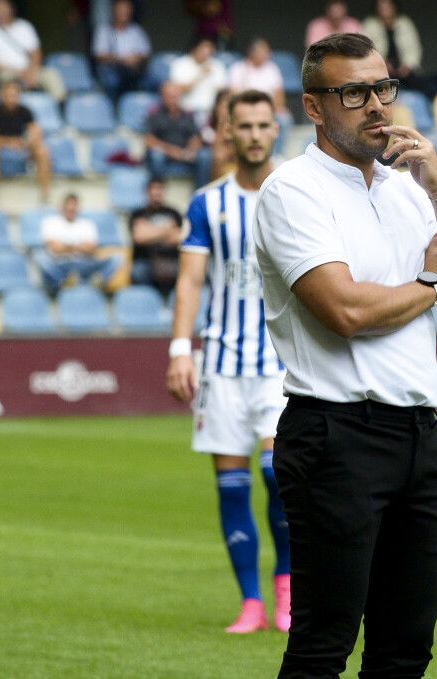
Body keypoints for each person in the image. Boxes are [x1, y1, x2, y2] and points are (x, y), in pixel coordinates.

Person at [253, 33, 437, 676]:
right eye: (353, 92)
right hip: (336, 434)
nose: (376, 105)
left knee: (404, 649)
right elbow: (347, 312)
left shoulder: (411, 186)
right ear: (314, 107)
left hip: (418, 435)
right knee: (322, 647)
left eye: (383, 88)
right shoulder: (292, 191)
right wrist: (430, 285)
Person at [166, 89, 290, 635]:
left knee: (280, 479)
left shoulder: (296, 196)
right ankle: (250, 603)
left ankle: (287, 594)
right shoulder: (206, 203)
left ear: (275, 130)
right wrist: (179, 348)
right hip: (220, 363)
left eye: (265, 125)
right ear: (228, 132)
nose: (256, 134)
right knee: (231, 486)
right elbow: (190, 280)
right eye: (246, 126)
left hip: (283, 365)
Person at [0, 0, 65, 101]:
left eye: (3, 9)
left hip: (29, 69)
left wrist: (31, 71)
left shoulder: (24, 26)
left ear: (11, 10)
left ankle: (60, 109)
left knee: (51, 75)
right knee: (5, 78)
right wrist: (18, 72)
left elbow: (36, 53)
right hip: (5, 72)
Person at [36, 194, 121, 294]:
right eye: (69, 206)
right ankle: (64, 282)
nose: (71, 209)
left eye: (74, 206)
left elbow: (91, 249)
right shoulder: (50, 222)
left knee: (117, 257)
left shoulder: (87, 224)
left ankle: (97, 281)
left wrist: (66, 247)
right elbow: (55, 248)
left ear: (78, 208)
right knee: (39, 256)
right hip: (60, 264)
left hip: (84, 264)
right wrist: (79, 246)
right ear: (62, 207)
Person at [0, 80, 51, 203]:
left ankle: (45, 192)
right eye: (8, 95)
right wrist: (9, 142)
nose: (11, 99)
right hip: (0, 145)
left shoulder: (25, 111)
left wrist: (24, 143)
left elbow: (35, 133)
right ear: (2, 96)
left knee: (42, 151)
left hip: (21, 146)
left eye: (14, 95)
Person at [227, 38, 292, 153]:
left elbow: (279, 94)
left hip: (269, 110)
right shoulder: (238, 68)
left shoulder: (271, 68)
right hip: (246, 110)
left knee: (284, 119)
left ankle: (276, 156)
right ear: (252, 52)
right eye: (264, 51)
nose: (268, 53)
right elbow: (234, 95)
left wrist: (277, 108)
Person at [127, 178, 182, 296]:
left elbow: (179, 238)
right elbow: (139, 237)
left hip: (171, 260)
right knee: (138, 271)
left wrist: (150, 232)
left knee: (190, 270)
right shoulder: (137, 213)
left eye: (160, 189)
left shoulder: (174, 213)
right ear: (147, 192)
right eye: (153, 189)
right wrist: (167, 230)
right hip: (145, 261)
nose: (156, 192)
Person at [93, 0, 150, 102]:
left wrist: (136, 58)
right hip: (111, 70)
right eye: (121, 10)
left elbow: (145, 53)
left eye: (126, 10)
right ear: (113, 11)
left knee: (151, 81)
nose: (124, 13)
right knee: (111, 81)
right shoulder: (105, 31)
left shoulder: (136, 30)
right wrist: (123, 60)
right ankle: (113, 111)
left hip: (134, 71)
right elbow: (99, 55)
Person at [145, 81, 204, 180]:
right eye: (169, 96)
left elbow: (196, 137)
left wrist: (190, 150)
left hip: (185, 154)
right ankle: (158, 190)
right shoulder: (155, 114)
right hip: (165, 154)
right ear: (162, 97)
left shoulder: (188, 114)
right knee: (156, 156)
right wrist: (172, 152)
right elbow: (149, 140)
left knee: (205, 156)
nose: (172, 100)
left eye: (175, 96)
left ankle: (200, 192)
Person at [361, 0, 421, 85]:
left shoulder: (404, 23)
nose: (384, 9)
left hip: (405, 72)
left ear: (394, 6)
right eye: (381, 7)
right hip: (379, 72)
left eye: (387, 6)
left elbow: (414, 48)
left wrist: (407, 65)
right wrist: (382, 63)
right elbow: (367, 49)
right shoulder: (370, 24)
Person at [169, 38, 228, 124]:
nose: (207, 52)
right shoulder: (180, 64)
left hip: (210, 112)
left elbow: (221, 92)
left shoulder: (217, 65)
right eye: (204, 49)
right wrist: (200, 75)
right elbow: (179, 90)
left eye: (210, 49)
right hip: (186, 111)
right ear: (194, 49)